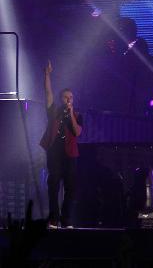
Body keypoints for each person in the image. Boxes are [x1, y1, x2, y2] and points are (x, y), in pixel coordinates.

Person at [39, 60, 84, 229]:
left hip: (70, 153)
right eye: (66, 97)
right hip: (55, 151)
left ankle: (66, 219)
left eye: (71, 98)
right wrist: (47, 74)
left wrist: (71, 113)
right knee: (54, 184)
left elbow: (77, 131)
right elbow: (48, 93)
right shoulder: (54, 111)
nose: (69, 100)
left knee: (71, 187)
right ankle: (53, 219)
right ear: (61, 99)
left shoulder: (77, 114)